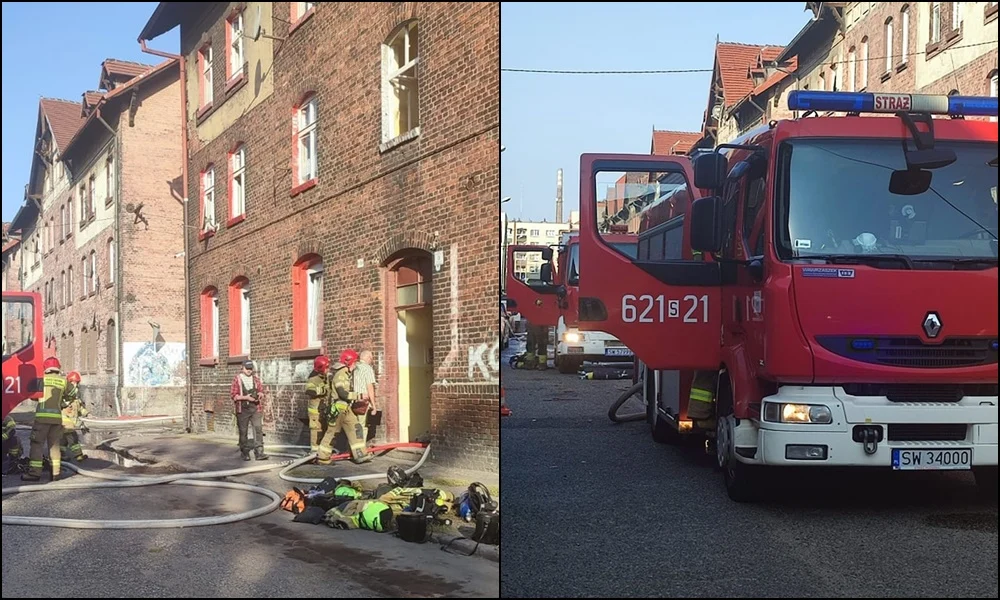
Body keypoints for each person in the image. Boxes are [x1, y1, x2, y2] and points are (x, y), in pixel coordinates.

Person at [316, 349, 372, 465]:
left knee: (356, 428)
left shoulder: (346, 373)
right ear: (349, 362)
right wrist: (360, 395)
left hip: (346, 409)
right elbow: (343, 393)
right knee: (332, 433)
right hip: (339, 409)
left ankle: (360, 454)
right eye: (355, 362)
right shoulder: (341, 374)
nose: (356, 365)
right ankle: (322, 457)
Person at [23, 356, 67, 481]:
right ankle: (56, 473)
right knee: (54, 445)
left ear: (45, 368)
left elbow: (33, 396)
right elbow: (72, 394)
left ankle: (34, 473)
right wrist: (61, 403)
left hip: (42, 420)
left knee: (37, 444)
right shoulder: (63, 381)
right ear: (58, 367)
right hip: (57, 419)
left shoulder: (41, 380)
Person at [230, 360, 269, 461]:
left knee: (258, 429)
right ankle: (245, 452)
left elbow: (261, 390)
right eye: (247, 368)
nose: (249, 370)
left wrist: (260, 394)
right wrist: (246, 397)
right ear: (242, 368)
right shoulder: (237, 379)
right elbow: (234, 396)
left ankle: (259, 452)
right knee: (243, 431)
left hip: (255, 407)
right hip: (242, 409)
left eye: (250, 368)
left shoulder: (256, 379)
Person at [304, 355, 332, 453]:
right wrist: (323, 390)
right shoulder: (313, 378)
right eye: (327, 367)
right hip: (314, 410)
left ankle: (321, 450)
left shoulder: (325, 377)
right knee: (315, 430)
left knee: (323, 429)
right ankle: (314, 451)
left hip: (322, 408)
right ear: (321, 368)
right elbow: (309, 390)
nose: (328, 369)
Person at [60, 371, 89, 463]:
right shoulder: (65, 396)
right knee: (73, 439)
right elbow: (60, 404)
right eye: (73, 383)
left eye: (77, 383)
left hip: (70, 423)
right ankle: (79, 456)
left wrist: (87, 414)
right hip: (65, 422)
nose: (75, 385)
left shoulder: (76, 398)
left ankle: (61, 455)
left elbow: (80, 409)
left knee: (63, 441)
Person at [353, 350, 379, 447]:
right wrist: (374, 405)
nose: (371, 360)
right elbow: (369, 387)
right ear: (367, 357)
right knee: (361, 426)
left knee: (352, 426)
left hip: (351, 400)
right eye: (371, 358)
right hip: (362, 402)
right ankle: (360, 449)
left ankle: (350, 448)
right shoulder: (367, 368)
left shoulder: (354, 367)